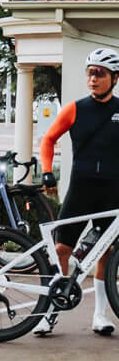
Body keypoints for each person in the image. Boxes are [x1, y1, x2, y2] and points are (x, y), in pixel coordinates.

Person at [36, 45, 119, 337]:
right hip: (81, 189)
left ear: (115, 78)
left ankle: (100, 315)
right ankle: (50, 313)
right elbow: (48, 140)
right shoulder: (75, 109)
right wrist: (47, 170)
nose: (93, 79)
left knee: (105, 253)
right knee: (61, 249)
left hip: (112, 192)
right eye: (90, 73)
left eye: (100, 73)